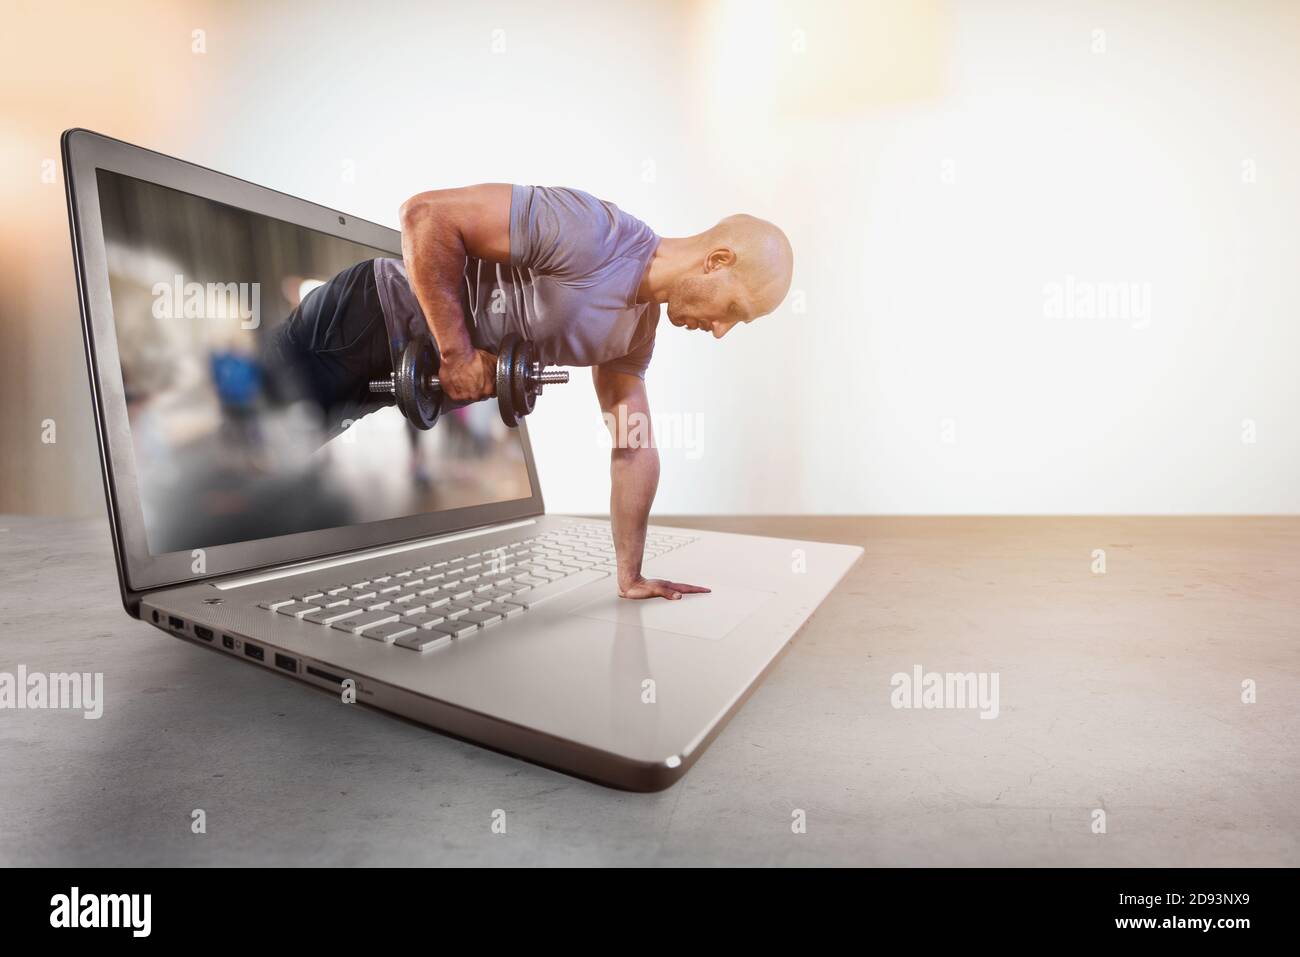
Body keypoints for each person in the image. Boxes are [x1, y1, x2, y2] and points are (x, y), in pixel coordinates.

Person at [268, 184, 794, 600]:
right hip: (363, 316)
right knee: (242, 438)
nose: (722, 331)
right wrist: (457, 353)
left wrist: (630, 574)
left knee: (275, 457)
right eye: (733, 312)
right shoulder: (596, 232)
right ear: (718, 260)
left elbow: (632, 446)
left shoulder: (635, 332)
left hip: (400, 370)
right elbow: (426, 214)